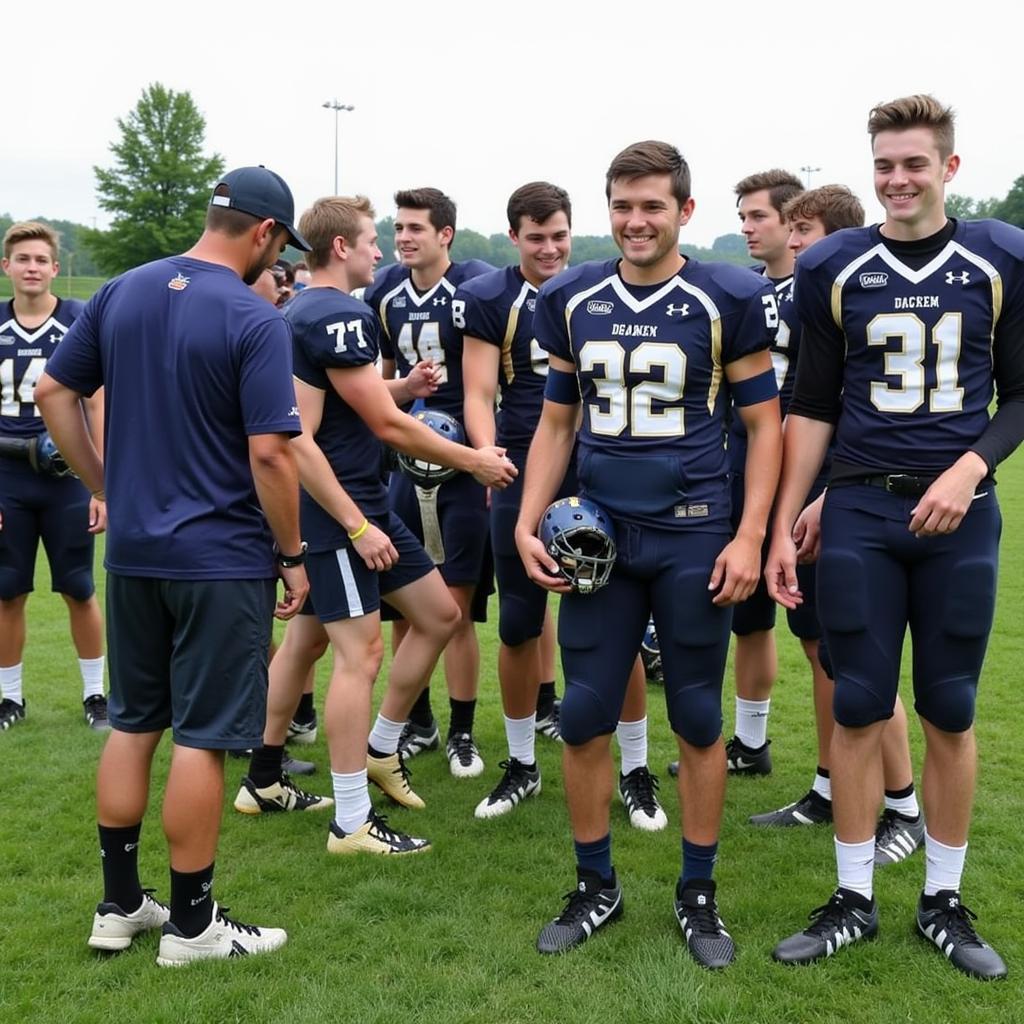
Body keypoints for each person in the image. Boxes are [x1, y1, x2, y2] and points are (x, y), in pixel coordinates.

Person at [766, 95, 1024, 980]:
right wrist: (788, 515)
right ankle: (853, 898)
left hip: (959, 515)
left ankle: (943, 900)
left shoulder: (998, 257)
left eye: (914, 163)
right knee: (858, 701)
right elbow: (812, 402)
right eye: (883, 164)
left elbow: (1021, 392)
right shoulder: (835, 263)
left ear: (949, 167)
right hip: (864, 513)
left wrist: (971, 468)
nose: (897, 180)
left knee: (949, 704)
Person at [36, 165, 312, 965]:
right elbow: (271, 453)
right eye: (278, 246)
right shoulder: (256, 318)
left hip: (135, 555)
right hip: (220, 559)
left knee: (133, 722)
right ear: (264, 233)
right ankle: (192, 926)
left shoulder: (121, 290)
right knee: (202, 738)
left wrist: (105, 485)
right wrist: (292, 556)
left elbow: (56, 392)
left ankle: (120, 906)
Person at [515, 140, 782, 967]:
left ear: (684, 212)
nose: (636, 221)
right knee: (588, 711)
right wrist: (528, 522)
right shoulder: (572, 297)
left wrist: (747, 535)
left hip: (693, 530)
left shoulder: (726, 295)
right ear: (609, 209)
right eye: (623, 205)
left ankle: (696, 890)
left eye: (653, 206)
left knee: (698, 715)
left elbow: (765, 425)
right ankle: (597, 881)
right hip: (600, 532)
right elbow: (557, 422)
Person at [235, 195, 516, 855]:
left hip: (356, 499)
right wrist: (470, 460)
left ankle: (277, 773)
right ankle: (351, 820)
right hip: (341, 509)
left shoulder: (303, 306)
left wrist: (402, 386)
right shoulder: (337, 312)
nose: (380, 251)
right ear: (341, 248)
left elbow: (350, 400)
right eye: (370, 239)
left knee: (437, 616)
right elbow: (338, 432)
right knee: (358, 655)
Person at [458, 181, 666, 829]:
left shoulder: (590, 291)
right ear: (514, 235)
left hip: (596, 473)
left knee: (617, 625)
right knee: (520, 624)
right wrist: (486, 452)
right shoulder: (490, 297)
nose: (549, 248)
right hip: (522, 468)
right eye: (536, 237)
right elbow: (476, 389)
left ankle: (635, 769)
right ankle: (521, 763)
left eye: (559, 236)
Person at [749, 185, 924, 870]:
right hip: (813, 486)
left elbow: (842, 405)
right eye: (789, 230)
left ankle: (904, 804)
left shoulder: (857, 299)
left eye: (804, 230)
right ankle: (829, 786)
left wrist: (821, 496)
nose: (794, 242)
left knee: (860, 660)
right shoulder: (806, 297)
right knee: (825, 649)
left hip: (849, 491)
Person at [364, 188, 495, 778]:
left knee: (457, 605)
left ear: (446, 234)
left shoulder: (475, 288)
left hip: (460, 464)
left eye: (416, 227)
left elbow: (483, 383)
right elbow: (381, 379)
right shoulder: (384, 290)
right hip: (402, 462)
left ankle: (463, 733)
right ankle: (416, 722)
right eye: (398, 228)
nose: (404, 237)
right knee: (401, 603)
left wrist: (478, 451)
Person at [0, 222, 108, 732]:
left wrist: (100, 483)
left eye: (41, 259)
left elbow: (97, 400)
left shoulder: (77, 320)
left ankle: (95, 695)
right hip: (7, 474)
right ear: (7, 267)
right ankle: (9, 698)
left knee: (79, 587)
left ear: (55, 269)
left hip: (66, 475)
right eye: (22, 259)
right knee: (7, 590)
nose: (32, 268)